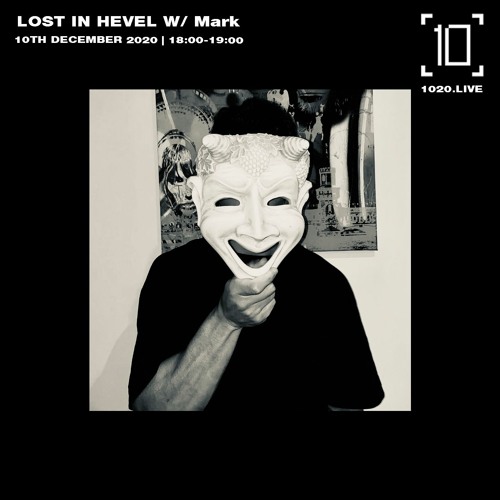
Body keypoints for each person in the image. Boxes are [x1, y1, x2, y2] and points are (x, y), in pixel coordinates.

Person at [128, 98, 384, 411]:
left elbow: (348, 404)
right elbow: (151, 407)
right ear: (200, 196)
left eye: (276, 200)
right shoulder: (172, 275)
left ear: (300, 198)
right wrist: (224, 321)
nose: (257, 230)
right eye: (230, 201)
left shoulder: (326, 285)